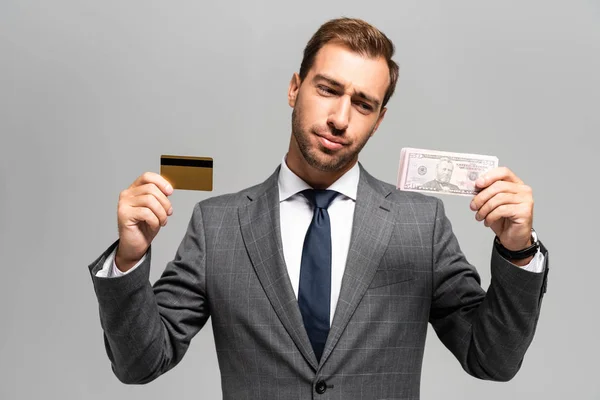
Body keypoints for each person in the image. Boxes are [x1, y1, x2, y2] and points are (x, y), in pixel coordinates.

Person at [88, 17, 549, 400]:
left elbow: (491, 359)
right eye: (328, 89)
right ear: (295, 88)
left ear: (379, 119)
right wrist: (129, 259)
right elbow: (140, 364)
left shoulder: (421, 224)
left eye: (363, 103)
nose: (340, 118)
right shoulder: (218, 225)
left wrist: (517, 252)